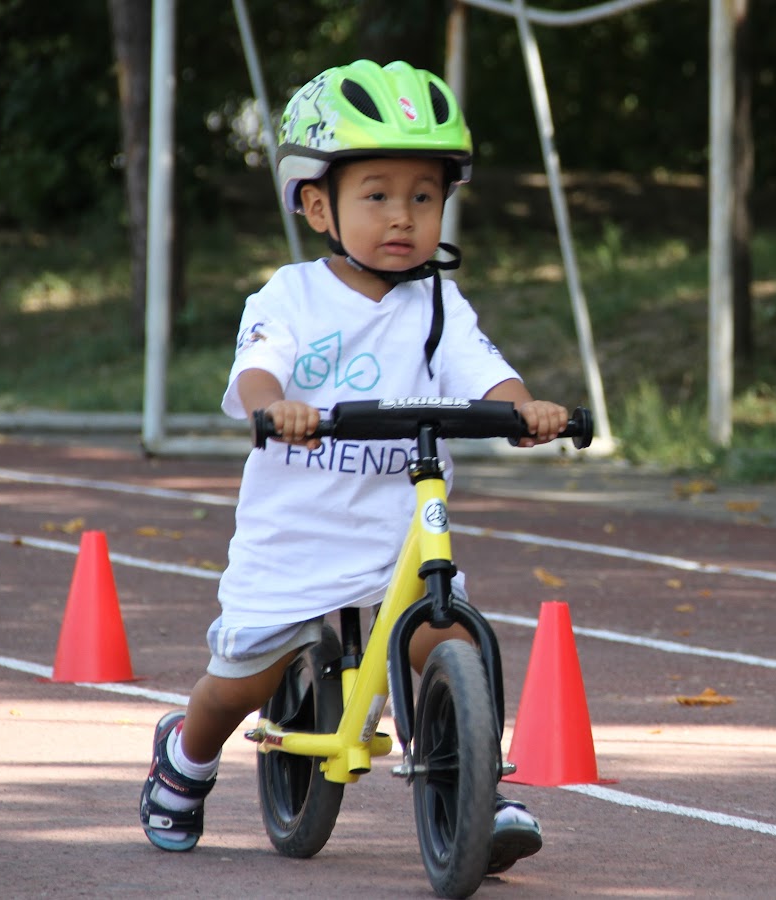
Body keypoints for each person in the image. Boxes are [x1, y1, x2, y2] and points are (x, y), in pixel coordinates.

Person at [140, 59, 569, 875]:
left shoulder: (439, 303)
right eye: (376, 194)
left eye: (424, 195)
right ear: (316, 203)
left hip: (396, 528)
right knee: (243, 680)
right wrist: (277, 406)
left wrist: (528, 409)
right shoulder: (292, 296)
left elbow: (487, 374)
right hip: (298, 529)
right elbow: (256, 372)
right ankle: (184, 758)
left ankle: (477, 783)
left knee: (446, 635)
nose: (403, 216)